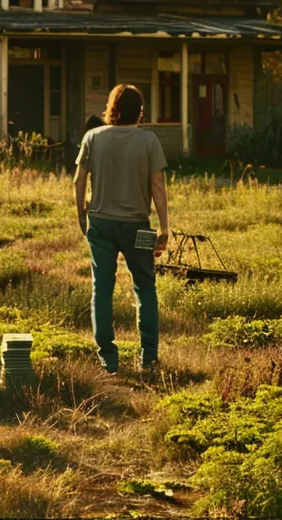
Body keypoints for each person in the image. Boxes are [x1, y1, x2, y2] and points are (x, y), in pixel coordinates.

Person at [74, 84, 169, 374]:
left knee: (101, 290)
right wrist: (165, 228)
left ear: (111, 108)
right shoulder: (149, 140)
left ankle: (108, 360)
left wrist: (81, 215)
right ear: (139, 111)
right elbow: (157, 185)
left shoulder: (92, 137)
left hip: (100, 224)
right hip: (136, 227)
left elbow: (79, 180)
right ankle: (148, 358)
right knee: (145, 288)